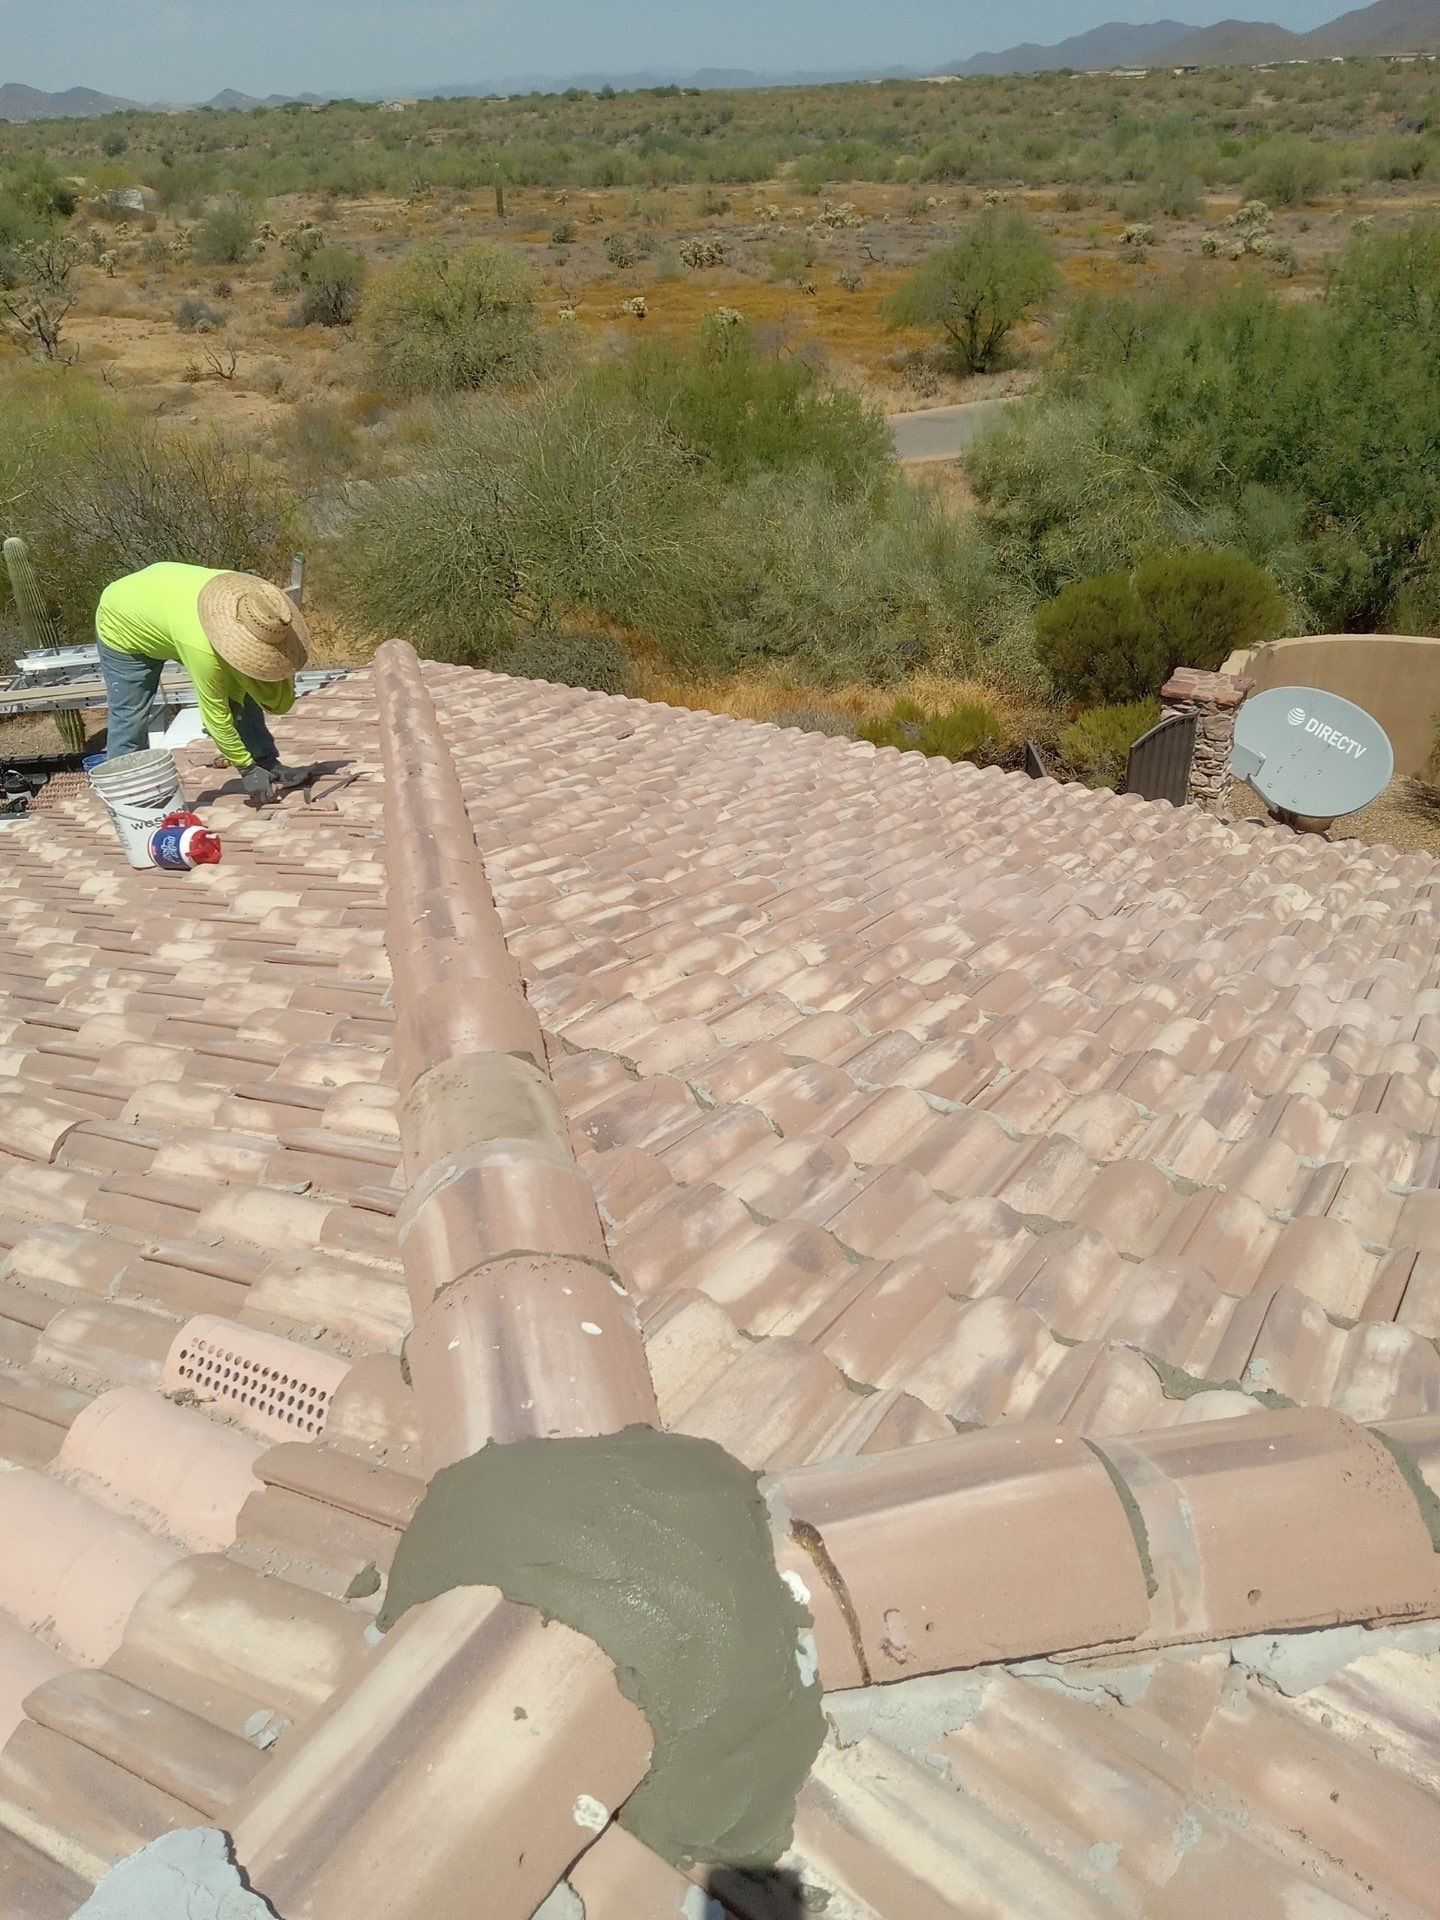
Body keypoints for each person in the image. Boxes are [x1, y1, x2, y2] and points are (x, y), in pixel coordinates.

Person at [95, 563, 313, 803]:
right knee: (130, 717)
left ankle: (266, 761)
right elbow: (215, 716)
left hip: (165, 606)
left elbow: (249, 685)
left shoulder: (252, 600)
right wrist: (246, 769)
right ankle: (127, 799)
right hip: (122, 621)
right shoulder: (202, 648)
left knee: (246, 676)